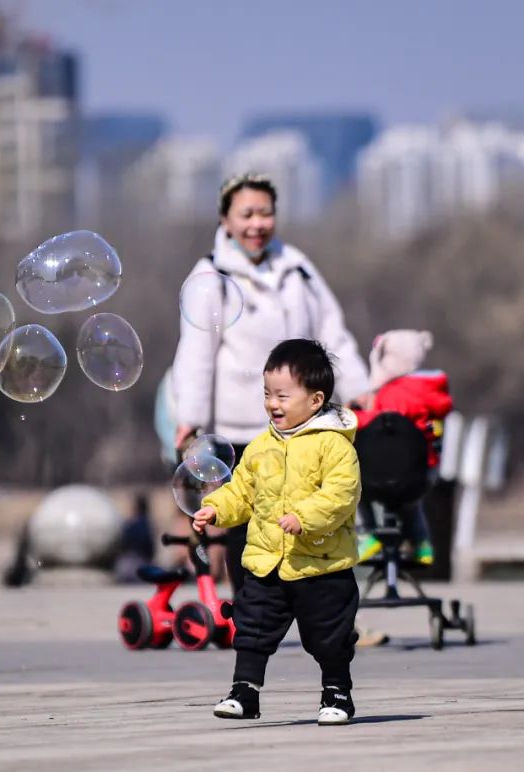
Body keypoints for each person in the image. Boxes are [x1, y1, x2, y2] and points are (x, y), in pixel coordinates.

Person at [168, 173, 368, 595]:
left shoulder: (297, 268)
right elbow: (196, 352)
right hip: (242, 428)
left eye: (266, 213)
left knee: (319, 517)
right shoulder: (212, 275)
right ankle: (252, 616)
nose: (257, 224)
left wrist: (359, 388)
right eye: (246, 214)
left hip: (306, 426)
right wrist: (189, 418)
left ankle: (328, 614)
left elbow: (332, 334)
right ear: (225, 220)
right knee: (248, 529)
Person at [193, 339, 361, 726]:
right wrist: (217, 509)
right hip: (267, 560)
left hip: (320, 564)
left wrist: (304, 517)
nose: (272, 403)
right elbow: (242, 491)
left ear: (315, 400)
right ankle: (245, 691)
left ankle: (337, 690)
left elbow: (340, 496)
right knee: (251, 626)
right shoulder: (260, 447)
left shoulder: (334, 447)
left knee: (328, 636)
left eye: (283, 395)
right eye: (267, 393)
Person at [353, 329, 453, 565]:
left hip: (380, 475)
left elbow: (378, 421)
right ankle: (421, 544)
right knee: (409, 501)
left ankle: (368, 534)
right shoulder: (427, 391)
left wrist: (350, 414)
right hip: (421, 475)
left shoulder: (391, 394)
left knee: (353, 486)